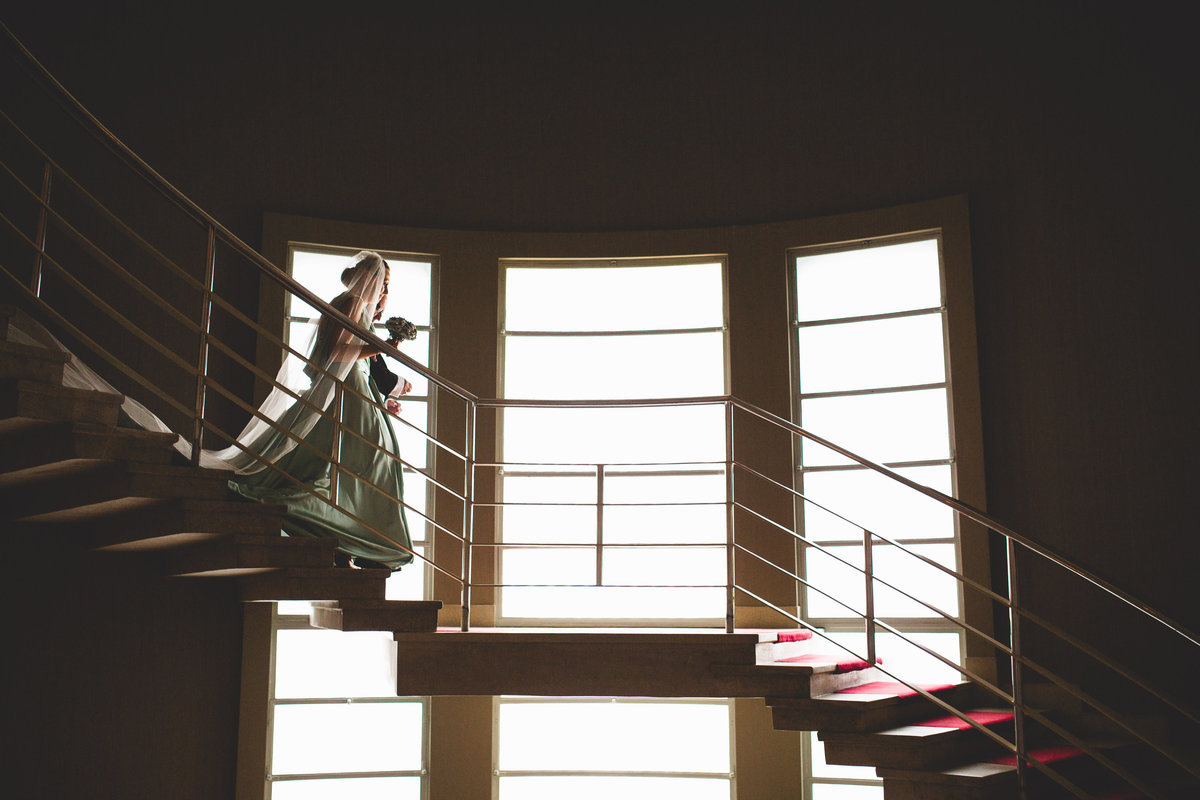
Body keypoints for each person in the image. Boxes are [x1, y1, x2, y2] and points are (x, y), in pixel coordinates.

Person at [227, 250, 415, 570]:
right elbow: (335, 353)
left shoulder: (353, 306)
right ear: (370, 280)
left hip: (358, 392)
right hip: (350, 394)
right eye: (383, 284)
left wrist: (381, 387)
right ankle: (362, 543)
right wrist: (381, 345)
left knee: (364, 467)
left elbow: (357, 363)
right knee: (370, 465)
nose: (384, 292)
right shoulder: (350, 303)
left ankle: (351, 543)